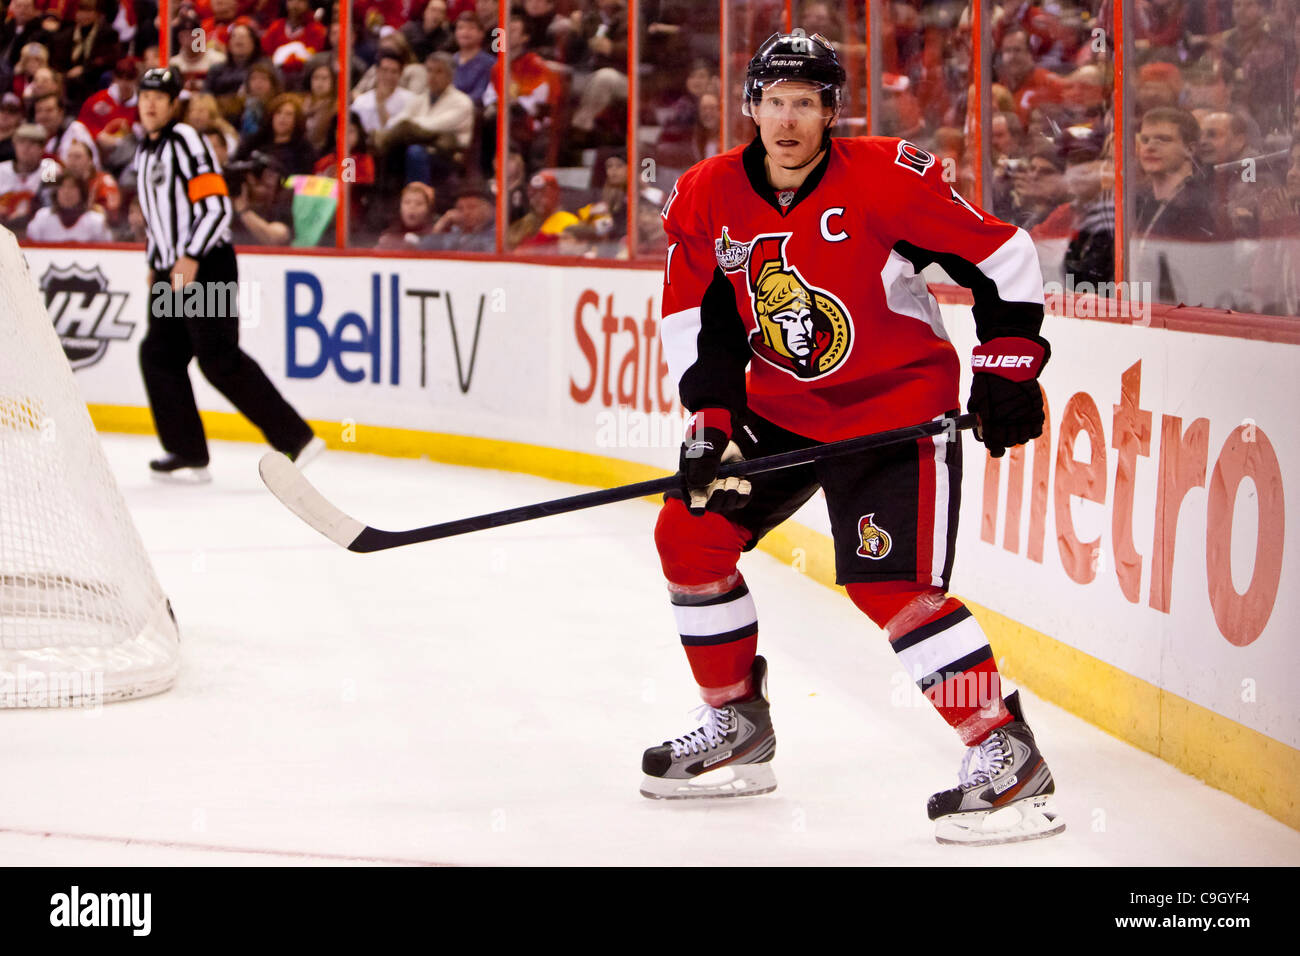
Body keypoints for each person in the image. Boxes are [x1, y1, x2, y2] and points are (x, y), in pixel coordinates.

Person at [644, 31, 1062, 847]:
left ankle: (1004, 753)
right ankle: (737, 725)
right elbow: (704, 325)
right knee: (688, 537)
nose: (789, 118)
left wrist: (1008, 369)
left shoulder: (884, 177)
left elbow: (1002, 257)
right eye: (775, 100)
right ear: (751, 107)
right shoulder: (707, 194)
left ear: (832, 110)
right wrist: (713, 428)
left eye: (808, 101)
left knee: (890, 585)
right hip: (780, 407)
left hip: (893, 407)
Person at [132, 67, 321, 481]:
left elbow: (216, 206)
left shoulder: (183, 141)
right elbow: (157, 218)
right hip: (172, 269)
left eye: (160, 97)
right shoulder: (144, 150)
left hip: (205, 265)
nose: (150, 103)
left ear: (173, 104)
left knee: (218, 358)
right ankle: (188, 451)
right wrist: (155, 261)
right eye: (145, 95)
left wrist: (190, 257)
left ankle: (296, 438)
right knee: (159, 355)